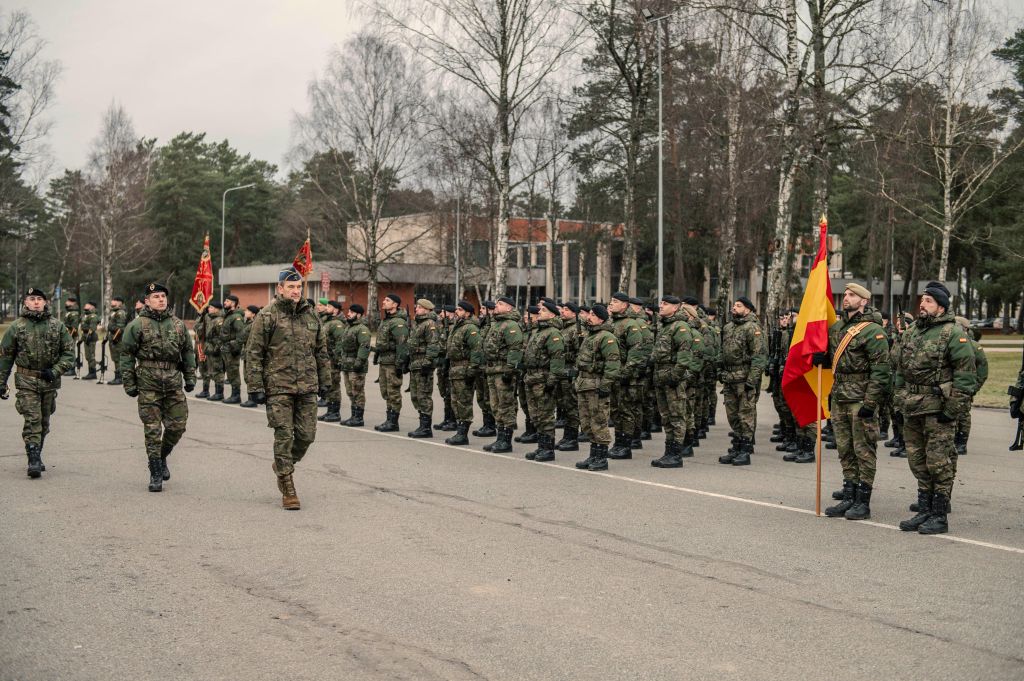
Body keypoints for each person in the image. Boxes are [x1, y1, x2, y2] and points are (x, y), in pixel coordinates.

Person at [244, 267, 331, 510]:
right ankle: (288, 486)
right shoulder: (267, 316)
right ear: (280, 288)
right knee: (284, 435)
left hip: (306, 386)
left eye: (298, 287)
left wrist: (325, 382)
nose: (295, 291)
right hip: (278, 386)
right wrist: (255, 386)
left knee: (306, 436)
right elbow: (253, 353)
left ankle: (282, 465)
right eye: (290, 287)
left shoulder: (310, 315)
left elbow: (321, 352)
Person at [893, 282, 976, 535]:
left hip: (938, 410)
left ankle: (939, 515)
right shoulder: (912, 332)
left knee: (938, 463)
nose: (922, 304)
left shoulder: (953, 333)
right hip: (912, 408)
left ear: (941, 306)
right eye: (922, 300)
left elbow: (966, 377)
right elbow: (899, 370)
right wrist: (899, 398)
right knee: (917, 461)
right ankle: (925, 511)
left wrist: (952, 410)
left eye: (928, 300)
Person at [818, 283, 891, 520]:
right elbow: (837, 361)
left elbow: (881, 371)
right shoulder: (838, 328)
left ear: (864, 301)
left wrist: (871, 403)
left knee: (864, 450)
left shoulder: (873, 331)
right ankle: (849, 495)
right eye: (846, 294)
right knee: (845, 449)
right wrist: (821, 359)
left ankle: (863, 501)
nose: (846, 298)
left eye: (852, 295)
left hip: (860, 399)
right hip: (839, 397)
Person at [118, 283, 197, 492]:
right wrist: (129, 382)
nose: (161, 299)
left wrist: (190, 377)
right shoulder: (137, 325)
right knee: (152, 430)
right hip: (148, 385)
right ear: (147, 301)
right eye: (156, 296)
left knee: (178, 426)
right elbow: (126, 355)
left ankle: (161, 457)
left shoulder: (178, 325)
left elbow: (188, 352)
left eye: (163, 296)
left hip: (173, 383)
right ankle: (155, 472)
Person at [0, 288, 75, 478]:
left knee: (44, 422)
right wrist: (1, 381)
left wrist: (56, 370)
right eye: (32, 299)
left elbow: (68, 354)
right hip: (26, 381)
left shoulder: (57, 326)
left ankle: (37, 454)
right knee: (32, 420)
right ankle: (32, 459)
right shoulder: (17, 327)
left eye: (39, 299)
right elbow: (6, 357)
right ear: (25, 302)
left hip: (49, 381)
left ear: (45, 302)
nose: (35, 302)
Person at [650, 296, 702, 468]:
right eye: (661, 303)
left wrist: (675, 376)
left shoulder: (680, 327)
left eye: (665, 304)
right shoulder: (664, 325)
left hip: (672, 378)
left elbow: (685, 356)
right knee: (666, 416)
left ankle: (676, 454)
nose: (661, 306)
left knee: (677, 416)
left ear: (676, 307)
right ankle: (669, 452)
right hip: (661, 377)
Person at [718, 296, 767, 465]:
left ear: (748, 309)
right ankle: (737, 447)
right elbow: (721, 351)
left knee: (745, 415)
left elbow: (759, 357)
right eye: (734, 305)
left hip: (744, 378)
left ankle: (745, 451)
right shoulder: (728, 327)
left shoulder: (753, 328)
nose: (734, 308)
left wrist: (751, 381)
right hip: (729, 378)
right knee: (732, 415)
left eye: (738, 306)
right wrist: (720, 370)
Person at [573, 304, 621, 471]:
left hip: (596, 385)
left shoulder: (606, 337)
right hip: (584, 384)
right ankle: (593, 455)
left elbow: (613, 364)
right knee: (587, 423)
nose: (589, 317)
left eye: (593, 315)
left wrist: (606, 385)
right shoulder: (590, 335)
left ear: (601, 318)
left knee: (599, 421)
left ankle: (601, 458)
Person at [522, 301, 566, 462]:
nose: (539, 312)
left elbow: (557, 358)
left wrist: (552, 381)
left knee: (545, 415)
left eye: (544, 310)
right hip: (532, 378)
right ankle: (541, 446)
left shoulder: (553, 333)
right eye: (540, 309)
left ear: (553, 315)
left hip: (543, 379)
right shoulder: (539, 331)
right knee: (536, 415)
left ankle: (548, 449)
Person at [481, 296, 525, 453]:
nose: (496, 306)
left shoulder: (511, 325)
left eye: (500, 304)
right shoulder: (497, 323)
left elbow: (515, 348)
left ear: (509, 308)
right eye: (497, 304)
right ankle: (499, 438)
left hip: (503, 371)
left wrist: (510, 369)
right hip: (493, 370)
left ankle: (506, 440)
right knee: (495, 405)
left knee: (505, 405)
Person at [608, 292, 647, 460]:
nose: (611, 304)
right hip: (614, 375)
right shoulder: (612, 323)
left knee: (627, 411)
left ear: (624, 305)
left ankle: (626, 445)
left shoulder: (631, 324)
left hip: (626, 376)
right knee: (616, 411)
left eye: (615, 301)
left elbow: (636, 352)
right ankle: (618, 443)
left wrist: (625, 373)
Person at [444, 300, 483, 446]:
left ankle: (463, 434)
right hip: (455, 369)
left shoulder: (470, 328)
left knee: (464, 401)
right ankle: (460, 431)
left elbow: (476, 349)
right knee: (455, 401)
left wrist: (472, 370)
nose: (457, 312)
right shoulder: (457, 327)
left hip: (464, 369)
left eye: (460, 310)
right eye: (457, 309)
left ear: (467, 313)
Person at [373, 294, 410, 432]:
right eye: (385, 299)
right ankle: (389, 419)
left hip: (393, 363)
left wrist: (400, 364)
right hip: (384, 361)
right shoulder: (387, 320)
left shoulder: (398, 322)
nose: (384, 301)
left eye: (387, 300)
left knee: (393, 391)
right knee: (386, 391)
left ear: (395, 305)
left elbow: (402, 345)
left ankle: (393, 422)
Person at [407, 298, 442, 438]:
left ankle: (426, 427)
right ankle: (422, 425)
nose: (417, 309)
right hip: (415, 364)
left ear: (427, 310)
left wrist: (427, 363)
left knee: (424, 396)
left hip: (423, 365)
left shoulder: (430, 324)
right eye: (417, 307)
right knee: (416, 396)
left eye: (420, 308)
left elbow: (433, 345)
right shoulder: (419, 324)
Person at [953, 316, 987, 458]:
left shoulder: (974, 346)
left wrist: (973, 388)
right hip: (951, 387)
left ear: (964, 328)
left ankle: (962, 443)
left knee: (963, 416)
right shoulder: (953, 343)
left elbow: (983, 371)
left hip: (966, 387)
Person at [337, 303, 372, 427]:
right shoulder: (349, 327)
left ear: (358, 315)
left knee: (357, 391)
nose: (348, 314)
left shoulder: (362, 329)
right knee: (350, 391)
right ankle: (353, 415)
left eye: (351, 312)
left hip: (356, 366)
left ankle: (358, 418)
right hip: (347, 365)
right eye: (349, 312)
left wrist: (359, 362)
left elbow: (364, 346)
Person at [555, 302, 582, 451]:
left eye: (567, 310)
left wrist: (574, 372)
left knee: (571, 406)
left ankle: (572, 438)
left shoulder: (576, 329)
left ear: (574, 313)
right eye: (563, 309)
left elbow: (580, 353)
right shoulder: (562, 328)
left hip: (570, 373)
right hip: (561, 372)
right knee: (564, 406)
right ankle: (567, 436)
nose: (563, 312)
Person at [472, 302, 498, 438]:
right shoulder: (483, 324)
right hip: (480, 367)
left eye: (484, 308)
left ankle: (491, 426)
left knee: (488, 398)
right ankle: (486, 424)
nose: (481, 310)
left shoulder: (493, 324)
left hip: (488, 366)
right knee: (481, 397)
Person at [434, 305, 458, 432]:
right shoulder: (443, 326)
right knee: (444, 392)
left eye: (443, 313)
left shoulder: (453, 327)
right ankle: (447, 418)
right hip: (441, 363)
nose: (441, 315)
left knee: (450, 393)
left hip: (449, 363)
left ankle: (453, 420)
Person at [202, 300, 226, 401]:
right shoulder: (210, 318)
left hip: (216, 349)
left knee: (218, 371)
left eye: (211, 307)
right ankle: (216, 392)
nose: (209, 309)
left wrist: (217, 349)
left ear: (217, 309)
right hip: (210, 349)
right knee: (212, 371)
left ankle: (219, 393)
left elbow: (221, 337)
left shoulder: (219, 320)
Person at [239, 305, 261, 408]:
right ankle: (252, 398)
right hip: (247, 353)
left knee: (250, 377)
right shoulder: (247, 323)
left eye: (248, 311)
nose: (245, 312)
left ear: (253, 314)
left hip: (252, 354)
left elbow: (242, 337)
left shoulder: (253, 324)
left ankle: (252, 400)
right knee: (247, 377)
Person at [106, 296, 129, 385]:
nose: (112, 302)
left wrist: (115, 338)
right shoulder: (115, 312)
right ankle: (118, 377)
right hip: (114, 339)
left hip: (118, 340)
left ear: (120, 303)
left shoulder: (120, 313)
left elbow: (120, 328)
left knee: (118, 359)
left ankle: (119, 378)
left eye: (115, 301)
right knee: (115, 359)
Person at [63, 296, 82, 376]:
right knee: (68, 352)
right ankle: (69, 368)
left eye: (68, 301)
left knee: (71, 352)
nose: (66, 303)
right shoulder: (69, 312)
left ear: (73, 303)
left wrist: (70, 337)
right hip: (67, 334)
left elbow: (74, 327)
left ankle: (72, 369)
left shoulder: (74, 313)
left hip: (71, 335)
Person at [81, 302, 100, 380]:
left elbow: (92, 328)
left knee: (91, 355)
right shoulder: (86, 315)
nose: (85, 306)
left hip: (91, 337)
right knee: (88, 356)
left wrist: (88, 336)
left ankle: (93, 373)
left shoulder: (93, 316)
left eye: (87, 305)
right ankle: (90, 371)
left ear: (92, 307)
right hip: (86, 336)